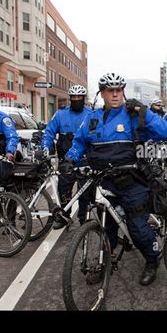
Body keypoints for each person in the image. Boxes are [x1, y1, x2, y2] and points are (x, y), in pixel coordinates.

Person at [65, 73, 167, 286]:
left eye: (118, 90)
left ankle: (152, 259)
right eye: (110, 90)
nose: (114, 94)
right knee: (107, 224)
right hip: (104, 181)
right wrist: (70, 158)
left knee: (137, 227)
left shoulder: (132, 114)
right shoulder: (92, 118)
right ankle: (106, 259)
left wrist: (144, 112)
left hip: (132, 181)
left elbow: (164, 131)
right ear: (102, 93)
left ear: (123, 91)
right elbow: (79, 142)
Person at [41, 85, 93, 229]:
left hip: (85, 160)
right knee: (64, 190)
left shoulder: (91, 114)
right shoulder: (60, 114)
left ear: (83, 99)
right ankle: (65, 216)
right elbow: (49, 133)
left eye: (79, 98)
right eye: (73, 98)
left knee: (85, 192)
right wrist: (45, 147)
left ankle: (84, 219)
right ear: (70, 99)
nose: (76, 100)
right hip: (66, 160)